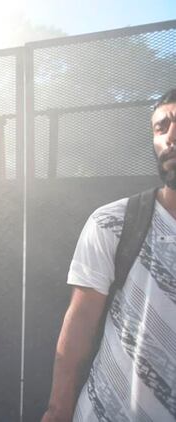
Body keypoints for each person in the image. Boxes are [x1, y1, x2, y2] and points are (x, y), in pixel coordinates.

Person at [42, 89, 176, 422]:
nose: (171, 136)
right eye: (162, 127)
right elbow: (79, 328)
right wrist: (57, 411)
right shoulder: (113, 223)